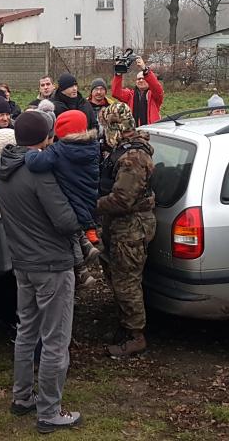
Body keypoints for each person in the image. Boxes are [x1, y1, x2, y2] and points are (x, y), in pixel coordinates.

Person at [0, 110, 82, 433]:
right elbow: (65, 220)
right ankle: (49, 411)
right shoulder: (38, 173)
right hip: (51, 265)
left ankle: (22, 397)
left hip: (23, 263)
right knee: (55, 338)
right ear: (45, 138)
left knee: (26, 331)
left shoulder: (3, 168)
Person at [97, 102, 156, 358]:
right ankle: (125, 325)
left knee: (127, 282)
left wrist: (90, 205)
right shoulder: (122, 150)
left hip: (131, 227)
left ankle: (136, 336)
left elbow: (122, 200)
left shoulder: (133, 158)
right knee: (117, 276)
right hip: (119, 225)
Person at [25, 110, 101, 286]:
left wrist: (30, 152)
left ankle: (81, 267)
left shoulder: (59, 150)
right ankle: (90, 238)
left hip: (71, 197)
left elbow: (36, 162)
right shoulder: (92, 146)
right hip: (88, 195)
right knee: (82, 218)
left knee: (70, 233)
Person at [111, 55, 164, 126]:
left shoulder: (154, 96)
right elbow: (116, 93)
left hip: (151, 131)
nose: (141, 80)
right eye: (139, 79)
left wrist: (145, 70)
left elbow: (157, 88)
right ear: (136, 82)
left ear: (148, 79)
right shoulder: (130, 95)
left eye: (143, 78)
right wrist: (118, 73)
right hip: (134, 131)